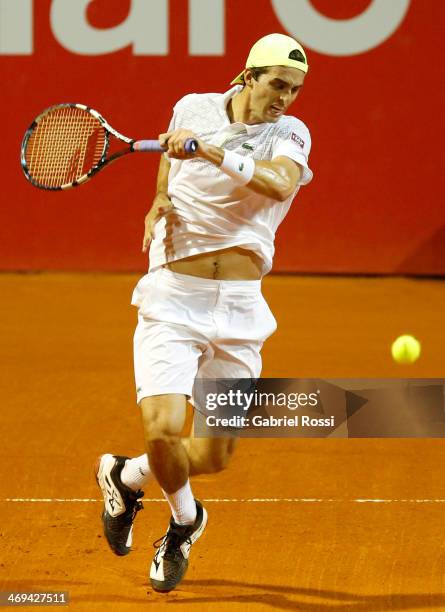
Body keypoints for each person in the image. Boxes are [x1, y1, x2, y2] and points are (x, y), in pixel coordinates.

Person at [95, 32, 313, 593]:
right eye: (277, 84)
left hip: (241, 311)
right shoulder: (193, 107)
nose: (285, 97)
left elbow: (278, 183)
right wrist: (160, 197)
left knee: (214, 455)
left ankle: (124, 475)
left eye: (294, 89)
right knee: (163, 430)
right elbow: (171, 164)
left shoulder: (289, 134)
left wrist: (212, 150)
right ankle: (186, 521)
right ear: (248, 76)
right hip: (173, 298)